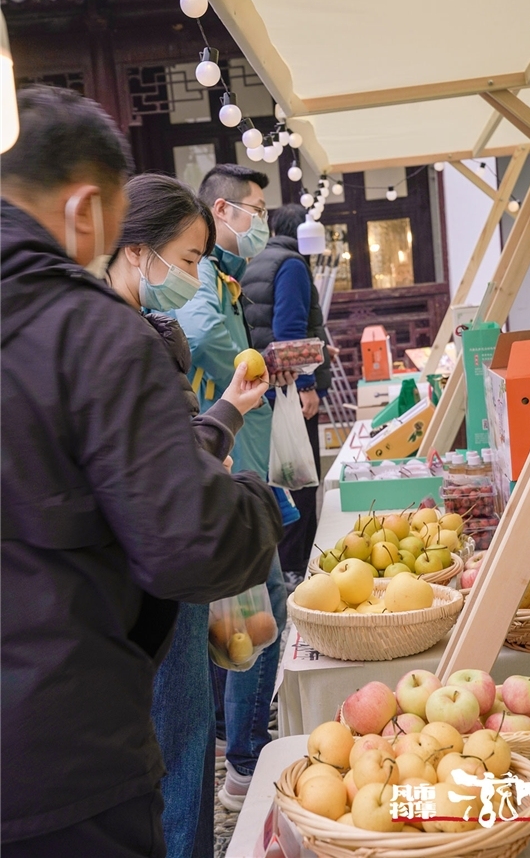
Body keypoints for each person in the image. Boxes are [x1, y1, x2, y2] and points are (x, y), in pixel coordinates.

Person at [1, 87, 282, 857]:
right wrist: (254, 505)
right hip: (67, 752)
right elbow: (189, 541)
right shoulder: (92, 330)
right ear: (88, 206)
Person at [106, 172, 268, 858]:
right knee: (177, 760)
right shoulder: (125, 342)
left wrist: (225, 410)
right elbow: (162, 482)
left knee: (180, 752)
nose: (196, 275)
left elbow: (162, 459)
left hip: (149, 594)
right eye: (192, 258)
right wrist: (244, 501)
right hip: (160, 590)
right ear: (138, 250)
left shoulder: (126, 332)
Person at [173, 164, 288, 812]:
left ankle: (237, 748)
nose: (262, 222)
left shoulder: (220, 275)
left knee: (242, 617)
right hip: (219, 467)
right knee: (257, 607)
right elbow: (207, 337)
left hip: (233, 459)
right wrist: (255, 370)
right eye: (255, 209)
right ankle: (243, 757)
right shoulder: (195, 281)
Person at [243, 202, 332, 593]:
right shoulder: (292, 265)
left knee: (278, 475)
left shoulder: (256, 260)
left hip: (266, 386)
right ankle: (295, 568)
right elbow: (290, 329)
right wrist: (308, 387)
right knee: (298, 478)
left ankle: (284, 565)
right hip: (290, 388)